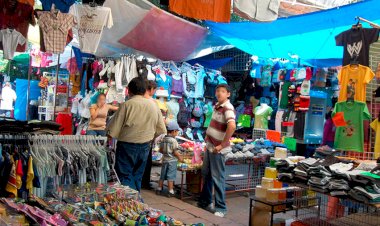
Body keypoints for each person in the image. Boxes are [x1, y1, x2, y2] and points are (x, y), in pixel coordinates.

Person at [107, 78, 167, 192]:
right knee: (137, 177)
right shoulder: (154, 105)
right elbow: (161, 130)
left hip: (127, 146)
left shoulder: (127, 105)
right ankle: (136, 203)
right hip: (145, 146)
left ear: (129, 91)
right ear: (145, 90)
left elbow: (112, 131)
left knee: (124, 176)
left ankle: (135, 201)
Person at [198, 84, 236, 218]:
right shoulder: (216, 106)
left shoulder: (227, 107)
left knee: (217, 178)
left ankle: (221, 208)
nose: (219, 93)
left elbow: (232, 125)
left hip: (218, 150)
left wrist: (223, 144)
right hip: (210, 146)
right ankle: (205, 201)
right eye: (218, 91)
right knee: (206, 174)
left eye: (223, 91)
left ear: (228, 94)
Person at [156, 121, 183, 197]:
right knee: (170, 176)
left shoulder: (164, 139)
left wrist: (166, 152)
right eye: (177, 132)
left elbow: (160, 150)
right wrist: (180, 157)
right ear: (174, 131)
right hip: (172, 161)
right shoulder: (173, 141)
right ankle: (170, 191)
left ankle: (159, 188)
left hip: (165, 160)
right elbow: (175, 151)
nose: (177, 133)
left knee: (162, 175)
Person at [142, 79, 158, 190]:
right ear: (151, 89)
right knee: (147, 160)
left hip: (137, 135)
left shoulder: (137, 100)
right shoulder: (152, 102)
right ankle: (145, 182)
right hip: (148, 134)